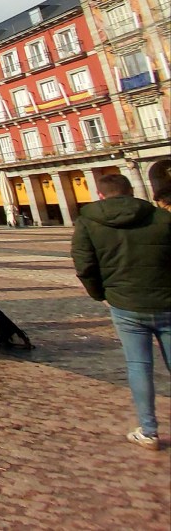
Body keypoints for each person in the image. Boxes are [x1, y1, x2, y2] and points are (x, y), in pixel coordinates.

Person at [72, 173, 171, 451]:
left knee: (139, 366)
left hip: (125, 304)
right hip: (166, 299)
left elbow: (84, 264)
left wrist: (100, 294)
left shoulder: (88, 221)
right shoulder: (161, 217)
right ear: (131, 191)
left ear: (100, 194)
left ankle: (148, 431)